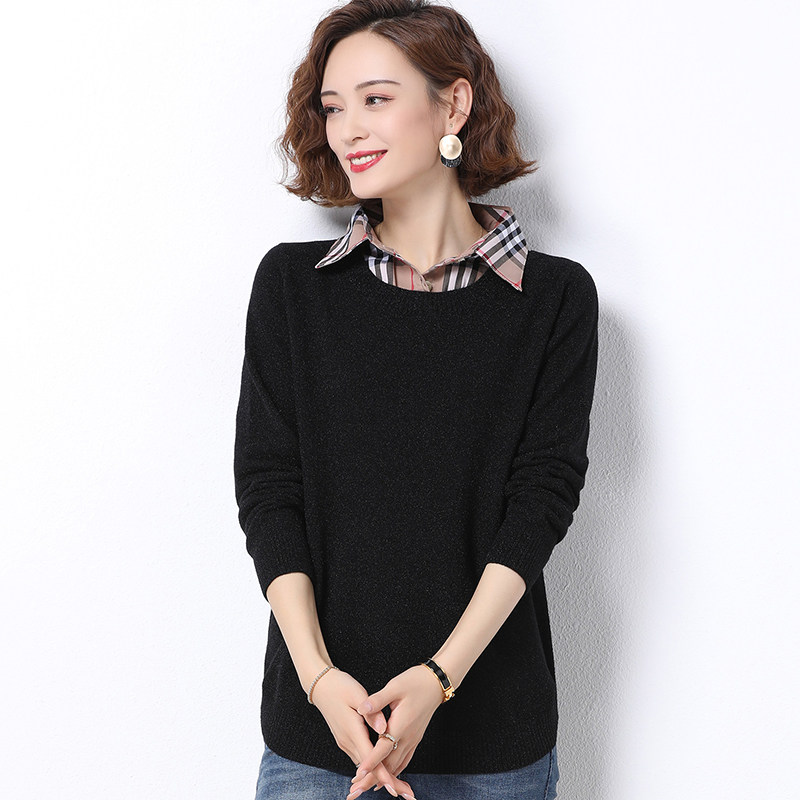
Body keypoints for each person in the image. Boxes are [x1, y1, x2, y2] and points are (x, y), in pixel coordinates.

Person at [233, 1, 599, 798]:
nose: (348, 130)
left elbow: (540, 502)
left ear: (454, 104)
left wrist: (438, 679)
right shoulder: (293, 288)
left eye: (375, 99)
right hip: (320, 740)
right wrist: (318, 679)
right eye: (334, 108)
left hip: (492, 745)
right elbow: (268, 492)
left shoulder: (554, 300)